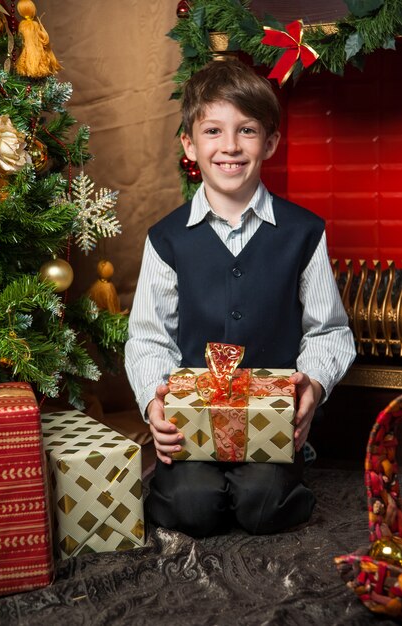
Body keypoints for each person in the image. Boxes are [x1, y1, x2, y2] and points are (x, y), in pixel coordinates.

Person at [125, 58, 356, 538]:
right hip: (195, 421)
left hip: (268, 426)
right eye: (213, 130)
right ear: (190, 143)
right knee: (192, 507)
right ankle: (189, 483)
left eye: (247, 130)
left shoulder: (303, 233)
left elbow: (329, 330)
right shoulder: (166, 239)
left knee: (264, 503)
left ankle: (284, 471)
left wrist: (312, 385)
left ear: (270, 142)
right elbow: (148, 338)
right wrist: (154, 404)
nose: (229, 147)